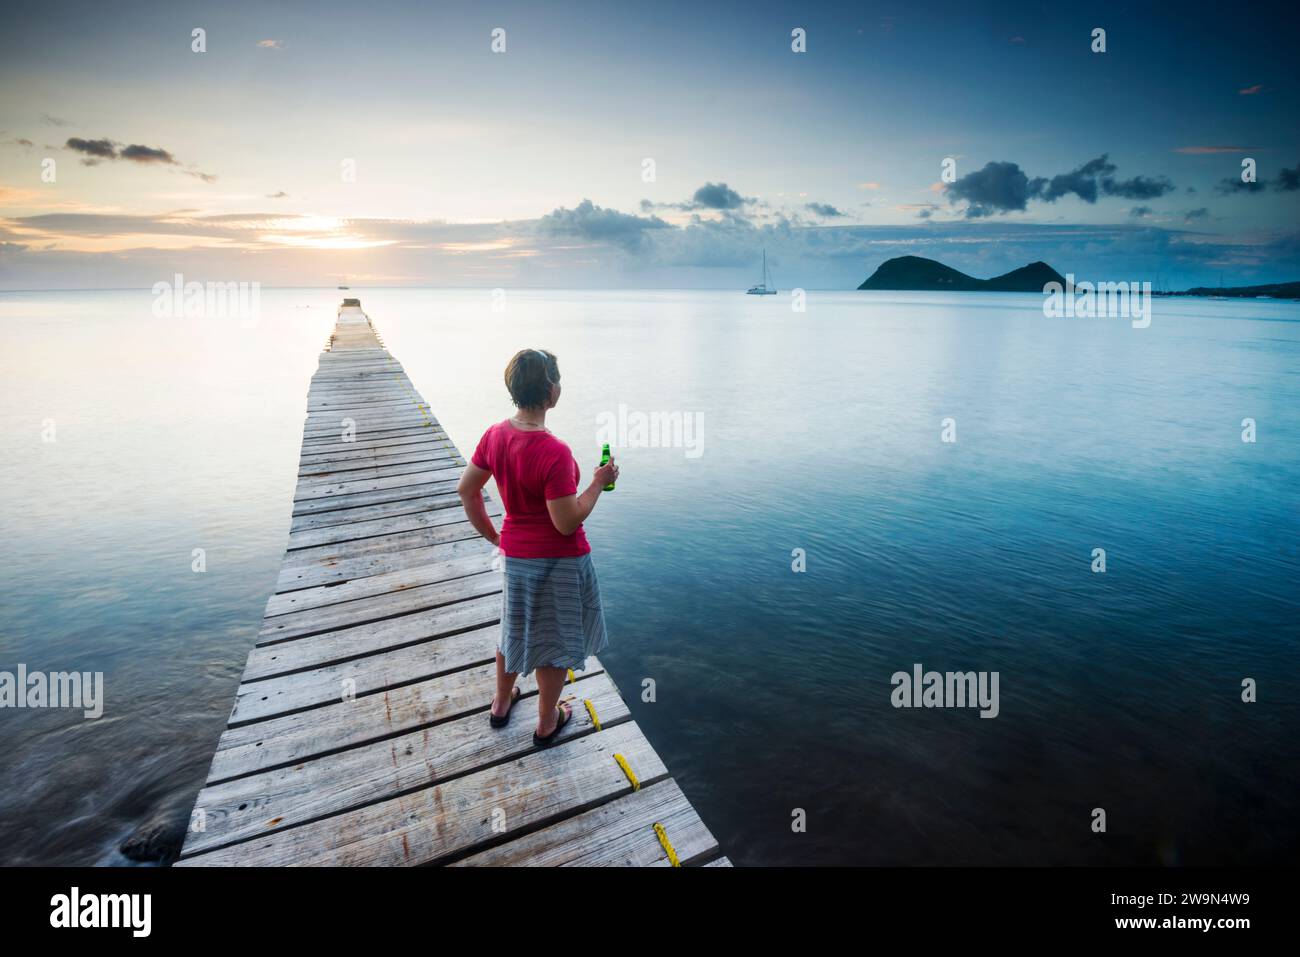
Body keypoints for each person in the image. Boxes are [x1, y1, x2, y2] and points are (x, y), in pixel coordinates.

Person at [457, 348, 619, 747]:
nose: (560, 385)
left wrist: (494, 535)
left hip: (516, 557)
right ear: (550, 390)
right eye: (557, 378)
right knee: (556, 642)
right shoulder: (554, 452)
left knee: (512, 627)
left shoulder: (495, 435)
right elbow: (566, 521)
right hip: (559, 563)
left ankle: (500, 703)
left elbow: (467, 490)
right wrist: (598, 482)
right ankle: (547, 723)